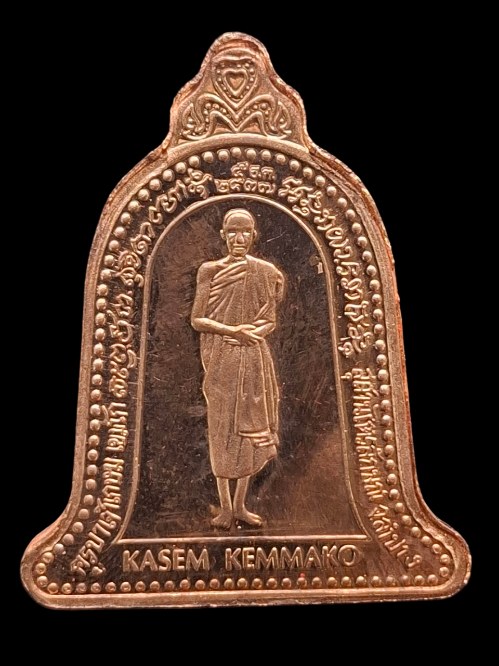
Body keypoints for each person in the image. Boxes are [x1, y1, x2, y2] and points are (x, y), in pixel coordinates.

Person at [191, 209, 284, 528]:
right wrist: (234, 332)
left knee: (248, 434)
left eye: (245, 232)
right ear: (223, 235)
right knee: (221, 429)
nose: (239, 238)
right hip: (221, 359)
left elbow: (269, 320)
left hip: (253, 357)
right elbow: (197, 319)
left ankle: (240, 506)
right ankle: (225, 508)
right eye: (232, 232)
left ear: (254, 236)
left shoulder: (265, 271)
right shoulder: (209, 270)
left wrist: (251, 334)